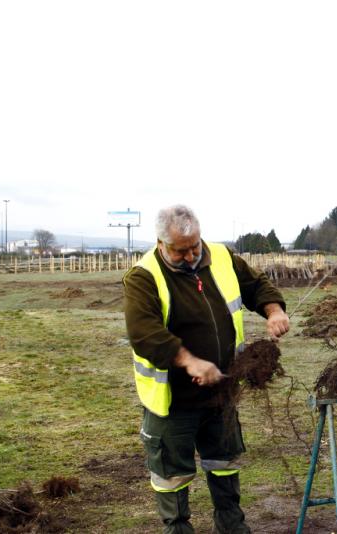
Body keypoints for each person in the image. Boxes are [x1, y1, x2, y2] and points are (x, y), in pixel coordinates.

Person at [123, 204, 290, 534]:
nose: (191, 256)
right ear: (160, 244)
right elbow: (144, 334)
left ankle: (231, 527)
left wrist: (273, 311)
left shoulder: (222, 257)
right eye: (180, 251)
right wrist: (190, 361)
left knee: (225, 464)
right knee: (172, 479)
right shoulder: (143, 277)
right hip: (173, 403)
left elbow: (257, 286)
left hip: (222, 394)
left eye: (195, 247)